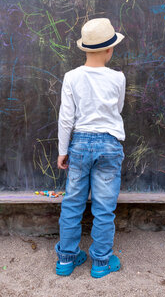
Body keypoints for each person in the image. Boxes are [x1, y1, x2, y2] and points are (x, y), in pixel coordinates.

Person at [54, 18, 126, 278]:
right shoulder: (118, 78)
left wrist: (63, 150)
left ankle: (66, 260)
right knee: (104, 207)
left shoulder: (71, 77)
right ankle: (101, 262)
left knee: (72, 203)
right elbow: (116, 110)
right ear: (110, 50)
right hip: (108, 143)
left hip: (80, 144)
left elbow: (66, 117)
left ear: (85, 49)